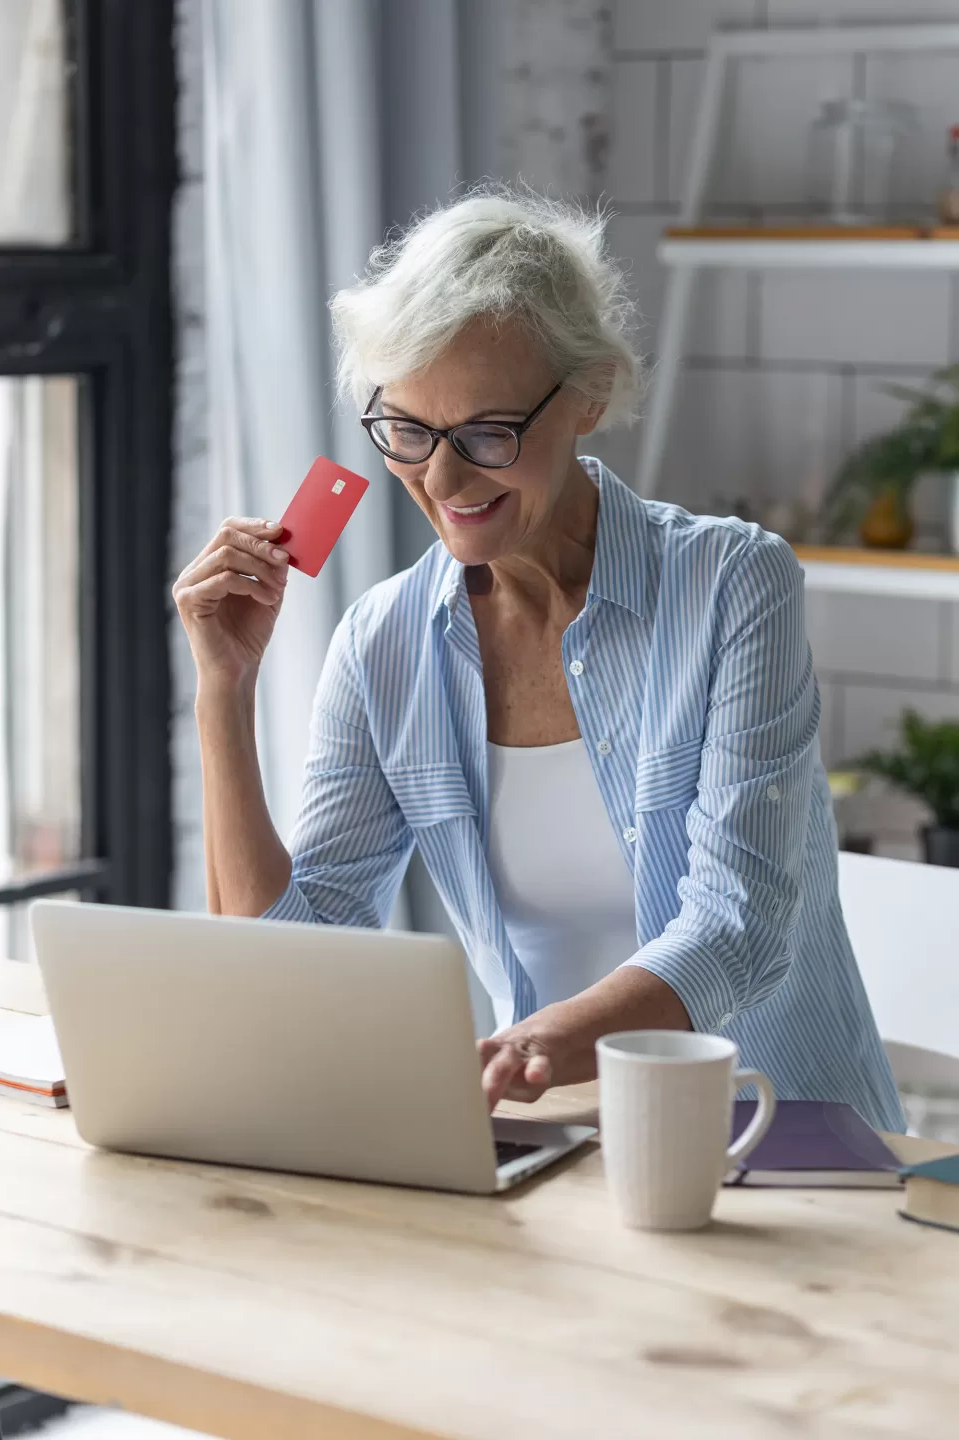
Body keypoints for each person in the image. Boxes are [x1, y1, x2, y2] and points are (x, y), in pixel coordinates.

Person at [174, 186, 903, 1131]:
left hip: (782, 1145)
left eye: (488, 432)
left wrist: (536, 1047)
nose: (440, 479)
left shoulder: (732, 585)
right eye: (407, 429)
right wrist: (223, 690)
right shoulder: (384, 644)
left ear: (591, 392)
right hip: (551, 1143)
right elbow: (290, 964)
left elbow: (737, 929)